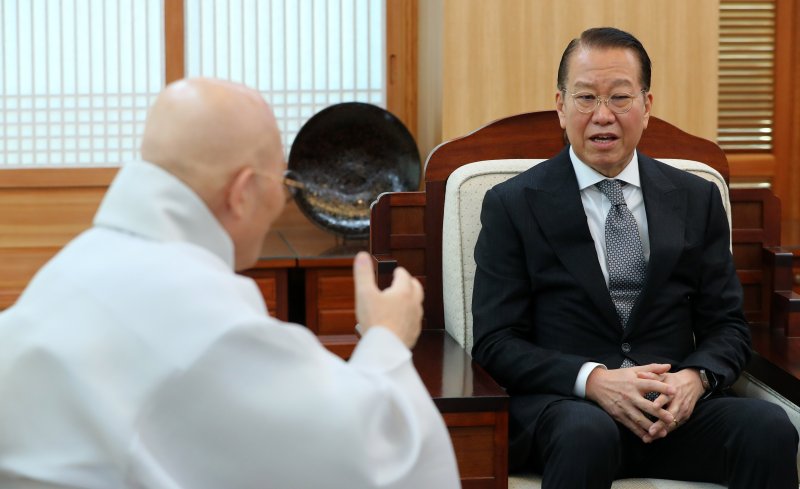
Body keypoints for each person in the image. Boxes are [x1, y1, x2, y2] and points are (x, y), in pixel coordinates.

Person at [0, 78, 460, 489]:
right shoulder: (199, 313)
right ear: (240, 193)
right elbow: (365, 454)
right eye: (281, 181)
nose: (282, 198)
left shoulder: (77, 263)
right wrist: (386, 337)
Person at [471, 27, 798, 489]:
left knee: (768, 429)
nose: (602, 115)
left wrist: (696, 379)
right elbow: (495, 341)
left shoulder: (696, 198)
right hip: (570, 411)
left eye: (620, 98)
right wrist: (595, 380)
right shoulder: (513, 203)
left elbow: (727, 326)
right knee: (587, 434)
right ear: (560, 106)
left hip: (672, 411)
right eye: (586, 98)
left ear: (646, 106)